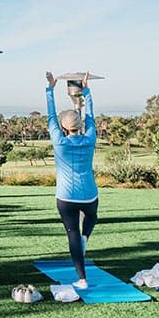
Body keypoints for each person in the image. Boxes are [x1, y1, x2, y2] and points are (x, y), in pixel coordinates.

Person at [46, 71, 98, 290]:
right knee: (92, 216)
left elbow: (51, 117)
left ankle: (82, 279)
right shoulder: (90, 137)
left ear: (64, 128)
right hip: (89, 194)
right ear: (79, 125)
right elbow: (91, 116)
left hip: (66, 197)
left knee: (72, 235)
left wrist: (50, 89)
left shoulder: (59, 141)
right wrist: (86, 91)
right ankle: (85, 236)